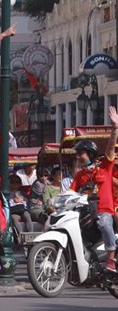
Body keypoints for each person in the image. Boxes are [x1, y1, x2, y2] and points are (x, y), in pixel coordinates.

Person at [71, 105, 118, 272]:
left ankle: (111, 258)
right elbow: (70, 192)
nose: (78, 156)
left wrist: (114, 128)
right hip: (86, 213)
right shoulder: (79, 175)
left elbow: (111, 147)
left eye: (80, 153)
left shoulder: (105, 167)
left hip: (104, 211)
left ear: (90, 154)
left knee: (105, 223)